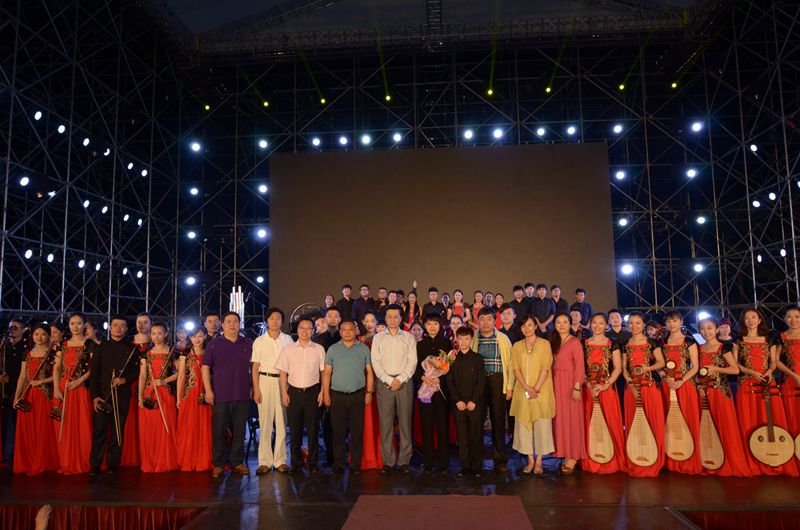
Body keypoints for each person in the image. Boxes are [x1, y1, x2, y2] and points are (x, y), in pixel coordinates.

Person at [734, 307, 799, 476]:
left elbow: (773, 362)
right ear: (743, 321)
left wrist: (769, 372)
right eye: (747, 318)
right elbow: (736, 364)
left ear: (760, 319)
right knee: (749, 420)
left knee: (772, 419)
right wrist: (752, 372)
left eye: (753, 317)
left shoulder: (770, 338)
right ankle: (753, 460)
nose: (750, 320)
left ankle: (777, 457)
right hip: (747, 384)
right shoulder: (738, 340)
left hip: (767, 382)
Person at [696, 317, 755, 477]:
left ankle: (728, 462)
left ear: (717, 329)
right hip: (703, 393)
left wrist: (716, 368)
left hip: (720, 392)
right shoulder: (698, 348)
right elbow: (696, 371)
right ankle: (711, 461)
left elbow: (735, 370)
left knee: (725, 425)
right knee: (707, 429)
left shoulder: (724, 348)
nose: (706, 332)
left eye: (710, 328)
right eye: (702, 328)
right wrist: (698, 385)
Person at [202, 311, 254, 478]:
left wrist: (253, 386)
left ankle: (237, 462)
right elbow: (205, 367)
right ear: (222, 325)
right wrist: (208, 390)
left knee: (239, 431)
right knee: (219, 431)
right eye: (229, 322)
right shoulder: (214, 344)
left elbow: (254, 367)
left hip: (242, 394)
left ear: (240, 324)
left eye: (235, 321)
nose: (232, 324)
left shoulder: (248, 344)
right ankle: (218, 463)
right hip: (220, 395)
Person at [88, 315, 138, 475]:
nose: (118, 328)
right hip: (103, 395)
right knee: (99, 430)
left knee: (118, 431)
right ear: (109, 327)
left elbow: (136, 371)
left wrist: (125, 379)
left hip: (122, 395)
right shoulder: (101, 347)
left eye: (122, 325)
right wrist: (95, 396)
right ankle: (95, 464)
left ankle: (113, 464)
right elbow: (94, 374)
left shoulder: (133, 349)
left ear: (126, 329)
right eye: (115, 325)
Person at [322, 321, 374, 474]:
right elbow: (327, 373)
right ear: (340, 332)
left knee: (357, 432)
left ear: (356, 331)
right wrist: (326, 393)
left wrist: (369, 392)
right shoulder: (333, 349)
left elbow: (370, 372)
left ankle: (355, 464)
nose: (347, 332)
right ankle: (338, 463)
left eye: (350, 329)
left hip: (358, 395)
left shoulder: (363, 349)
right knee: (338, 432)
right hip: (337, 396)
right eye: (343, 330)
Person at [371, 304, 417, 474]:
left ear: (401, 318)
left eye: (396, 316)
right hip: (384, 383)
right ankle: (388, 462)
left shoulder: (408, 337)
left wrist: (400, 379)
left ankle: (404, 461)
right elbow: (376, 363)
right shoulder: (378, 338)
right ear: (385, 318)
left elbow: (412, 362)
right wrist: (390, 380)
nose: (392, 319)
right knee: (386, 423)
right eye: (389, 316)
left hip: (404, 383)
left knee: (405, 423)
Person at [276, 316, 325, 473]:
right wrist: (284, 393)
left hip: (313, 392)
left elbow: (323, 372)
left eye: (309, 328)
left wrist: (323, 392)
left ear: (313, 331)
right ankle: (296, 463)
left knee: (313, 430)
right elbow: (282, 373)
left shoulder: (319, 349)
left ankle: (313, 463)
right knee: (295, 430)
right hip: (294, 393)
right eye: (302, 328)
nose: (305, 331)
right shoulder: (288, 350)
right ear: (297, 330)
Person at [620, 312, 665, 477]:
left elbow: (661, 362)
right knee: (634, 424)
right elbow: (624, 368)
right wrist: (630, 382)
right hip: (632, 389)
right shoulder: (625, 344)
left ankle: (654, 459)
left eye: (638, 323)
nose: (634, 326)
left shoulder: (652, 342)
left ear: (644, 324)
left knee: (653, 422)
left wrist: (648, 368)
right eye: (631, 323)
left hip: (649, 387)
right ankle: (636, 457)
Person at [581, 313, 626, 474]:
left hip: (607, 390)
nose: (597, 326)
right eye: (594, 322)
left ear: (606, 325)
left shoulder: (612, 344)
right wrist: (588, 384)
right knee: (589, 425)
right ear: (590, 324)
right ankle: (591, 459)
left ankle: (611, 459)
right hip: (589, 391)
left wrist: (606, 385)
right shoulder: (583, 343)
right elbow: (580, 368)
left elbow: (618, 368)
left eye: (601, 323)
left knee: (610, 422)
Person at [511, 315, 555, 475]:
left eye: (529, 325)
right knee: (524, 426)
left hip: (541, 390)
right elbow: (515, 368)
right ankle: (530, 459)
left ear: (536, 326)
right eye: (523, 326)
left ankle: (539, 461)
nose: (527, 329)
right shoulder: (517, 345)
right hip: (522, 391)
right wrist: (526, 388)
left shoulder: (544, 344)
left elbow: (546, 367)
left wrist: (535, 389)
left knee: (542, 425)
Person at [251, 308, 294, 474]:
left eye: (278, 318)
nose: (275, 321)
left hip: (283, 382)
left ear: (282, 321)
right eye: (272, 318)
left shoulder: (288, 340)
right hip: (265, 381)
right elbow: (255, 367)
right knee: (265, 422)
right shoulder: (259, 341)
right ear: (267, 321)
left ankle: (280, 460)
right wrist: (256, 389)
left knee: (282, 422)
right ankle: (265, 461)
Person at [471, 307, 513, 471]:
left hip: (498, 380)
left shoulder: (503, 338)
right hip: (478, 383)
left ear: (495, 321)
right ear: (478, 321)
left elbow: (510, 364)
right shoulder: (473, 337)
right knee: (477, 420)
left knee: (498, 420)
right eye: (482, 319)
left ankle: (499, 457)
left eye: (489, 319)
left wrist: (509, 387)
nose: (485, 323)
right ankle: (477, 457)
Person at [12, 324, 58, 475]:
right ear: (32, 336)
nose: (39, 337)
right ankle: (28, 461)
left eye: (43, 334)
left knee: (42, 429)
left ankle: (42, 462)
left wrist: (40, 382)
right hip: (28, 396)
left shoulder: (53, 353)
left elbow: (57, 376)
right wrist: (17, 397)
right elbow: (22, 377)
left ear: (49, 336)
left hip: (45, 396)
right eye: (36, 334)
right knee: (28, 430)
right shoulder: (27, 354)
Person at [661, 310, 702, 475]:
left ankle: (690, 459)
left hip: (685, 384)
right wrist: (665, 376)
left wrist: (681, 381)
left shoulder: (689, 341)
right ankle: (672, 459)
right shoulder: (662, 342)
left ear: (681, 322)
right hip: (667, 385)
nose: (671, 324)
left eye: (675, 321)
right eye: (668, 321)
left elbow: (695, 367)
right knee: (670, 422)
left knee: (687, 418)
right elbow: (659, 365)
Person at [52, 313, 92, 475]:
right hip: (63, 387)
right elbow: (57, 367)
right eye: (72, 323)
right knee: (64, 425)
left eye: (79, 323)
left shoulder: (90, 344)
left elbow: (93, 368)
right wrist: (56, 388)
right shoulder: (62, 344)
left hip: (81, 387)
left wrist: (80, 380)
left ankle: (82, 460)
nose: (75, 326)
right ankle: (66, 460)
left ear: (84, 325)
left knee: (82, 424)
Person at [138, 322, 178, 473]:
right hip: (149, 394)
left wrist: (164, 381)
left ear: (166, 334)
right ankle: (151, 460)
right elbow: (142, 376)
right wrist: (140, 396)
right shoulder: (145, 353)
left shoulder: (172, 352)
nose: (156, 336)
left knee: (165, 427)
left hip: (165, 394)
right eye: (153, 333)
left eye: (159, 333)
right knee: (149, 429)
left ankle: (165, 461)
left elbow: (180, 373)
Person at [415, 314, 453, 473]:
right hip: (425, 390)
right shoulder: (420, 345)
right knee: (427, 426)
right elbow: (416, 367)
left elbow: (450, 367)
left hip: (441, 391)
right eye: (429, 324)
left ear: (440, 326)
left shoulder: (447, 343)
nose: (432, 327)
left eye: (435, 324)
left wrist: (439, 379)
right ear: (425, 326)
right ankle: (428, 462)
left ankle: (443, 463)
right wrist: (424, 378)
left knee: (443, 426)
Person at [446, 326, 485, 477]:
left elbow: (481, 382)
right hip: (459, 404)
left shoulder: (477, 358)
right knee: (462, 437)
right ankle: (465, 466)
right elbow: (450, 382)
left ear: (471, 339)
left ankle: (477, 467)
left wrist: (474, 401)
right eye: (460, 339)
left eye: (467, 339)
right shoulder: (452, 359)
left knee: (476, 435)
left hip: (475, 404)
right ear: (456, 339)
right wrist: (457, 401)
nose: (463, 342)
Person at [550, 313, 586, 474]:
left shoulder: (575, 342)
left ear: (571, 324)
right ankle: (564, 452)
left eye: (565, 322)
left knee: (572, 420)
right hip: (555, 384)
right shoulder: (554, 342)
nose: (562, 325)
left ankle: (573, 456)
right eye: (558, 322)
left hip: (571, 385)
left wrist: (577, 387)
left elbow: (580, 366)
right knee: (560, 420)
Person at [176, 326, 213, 472]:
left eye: (200, 336)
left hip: (206, 392)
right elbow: (181, 377)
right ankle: (189, 459)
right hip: (190, 394)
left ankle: (204, 459)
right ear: (190, 338)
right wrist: (178, 397)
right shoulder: (185, 355)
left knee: (205, 425)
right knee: (189, 426)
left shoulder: (209, 353)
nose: (197, 339)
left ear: (204, 337)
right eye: (194, 336)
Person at [122, 312, 152, 467]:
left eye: (145, 322)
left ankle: (148, 453)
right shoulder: (128, 342)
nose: (141, 325)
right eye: (139, 322)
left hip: (151, 385)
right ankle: (132, 455)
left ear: (151, 324)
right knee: (130, 418)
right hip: (132, 383)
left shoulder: (156, 341)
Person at [313, 306, 341, 466]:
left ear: (339, 319)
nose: (332, 319)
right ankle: (330, 456)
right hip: (323, 385)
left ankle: (341, 455)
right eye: (329, 316)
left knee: (341, 423)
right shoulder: (318, 340)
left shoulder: (345, 337)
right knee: (327, 423)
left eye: (335, 316)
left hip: (341, 384)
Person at [1, 318, 28, 465]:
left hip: (17, 390)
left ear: (23, 330)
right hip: (3, 390)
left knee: (17, 425)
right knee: (4, 424)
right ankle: (4, 455)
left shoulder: (25, 348)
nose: (12, 330)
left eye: (16, 328)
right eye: (10, 327)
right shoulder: (3, 346)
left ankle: (15, 455)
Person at [777, 306, 800, 438]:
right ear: (784, 319)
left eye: (797, 316)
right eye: (789, 317)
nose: (793, 320)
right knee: (792, 415)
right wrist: (795, 376)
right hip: (789, 381)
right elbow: (776, 361)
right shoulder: (780, 337)